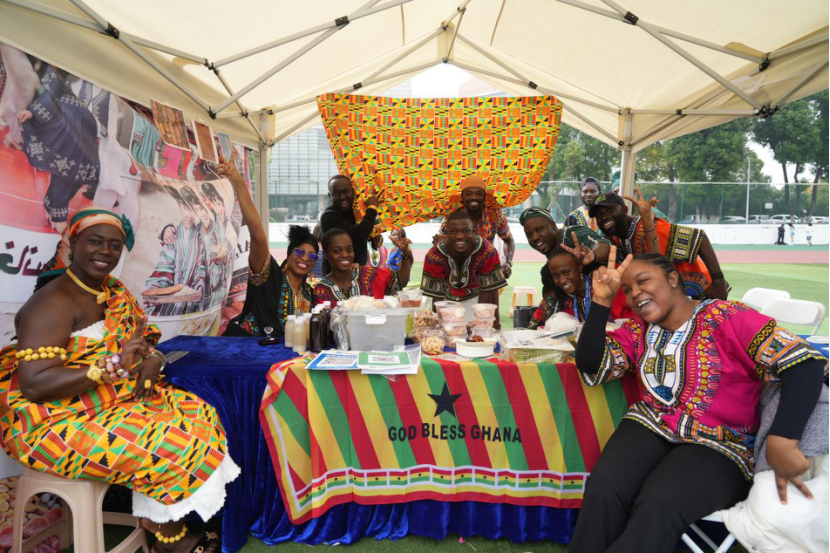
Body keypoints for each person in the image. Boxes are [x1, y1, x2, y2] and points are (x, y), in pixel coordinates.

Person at [1, 208, 239, 552]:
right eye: (95, 242)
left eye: (114, 246)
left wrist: (152, 361)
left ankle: (161, 519)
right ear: (73, 244)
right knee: (175, 442)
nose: (105, 252)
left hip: (109, 400)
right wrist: (112, 367)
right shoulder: (53, 302)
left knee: (200, 414)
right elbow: (35, 385)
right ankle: (168, 539)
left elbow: (143, 339)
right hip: (53, 420)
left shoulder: (113, 290)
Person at [568, 249, 826, 553]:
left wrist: (783, 440)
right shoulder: (637, 331)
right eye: (627, 289)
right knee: (604, 487)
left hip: (721, 442)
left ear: (672, 279)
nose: (635, 293)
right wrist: (601, 302)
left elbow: (804, 363)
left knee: (659, 503)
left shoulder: (728, 317)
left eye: (643, 281)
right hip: (651, 424)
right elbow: (591, 363)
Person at [219, 152, 317, 337]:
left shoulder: (309, 293)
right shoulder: (269, 276)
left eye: (312, 256)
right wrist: (238, 182)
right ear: (289, 254)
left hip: (288, 352)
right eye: (299, 252)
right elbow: (257, 236)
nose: (305, 258)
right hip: (249, 348)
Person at [590, 189, 729, 300]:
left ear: (625, 210)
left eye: (609, 211)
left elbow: (700, 238)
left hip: (707, 292)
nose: (604, 217)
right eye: (598, 215)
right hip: (676, 297)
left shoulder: (654, 227)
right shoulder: (618, 238)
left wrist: (719, 282)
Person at [19, 67, 100, 233]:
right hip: (67, 129)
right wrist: (33, 112)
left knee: (79, 174)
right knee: (66, 173)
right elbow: (52, 91)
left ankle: (52, 205)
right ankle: (58, 215)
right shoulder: (66, 69)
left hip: (88, 133)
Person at [421, 210, 507, 328]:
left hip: (477, 299)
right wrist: (441, 326)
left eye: (465, 231)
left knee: (480, 332)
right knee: (449, 332)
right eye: (454, 231)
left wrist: (480, 324)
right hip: (447, 302)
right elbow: (437, 298)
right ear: (446, 232)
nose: (460, 236)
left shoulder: (487, 251)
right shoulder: (434, 255)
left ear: (473, 231)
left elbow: (488, 290)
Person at [520, 206, 615, 306]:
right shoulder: (551, 251)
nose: (535, 237)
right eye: (529, 235)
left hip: (613, 294)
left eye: (539, 229)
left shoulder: (574, 235)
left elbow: (605, 246)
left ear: (553, 225)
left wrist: (592, 256)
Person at [527, 245, 634, 329]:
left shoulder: (606, 280)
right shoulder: (563, 299)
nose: (562, 280)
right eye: (556, 276)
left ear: (579, 268)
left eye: (567, 272)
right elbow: (533, 327)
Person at [144, 186, 209, 317]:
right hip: (169, 305)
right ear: (180, 207)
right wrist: (156, 291)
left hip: (190, 305)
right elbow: (164, 268)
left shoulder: (199, 237)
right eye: (185, 209)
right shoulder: (172, 235)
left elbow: (200, 267)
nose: (189, 216)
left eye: (192, 210)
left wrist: (199, 287)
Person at [438, 176, 516, 277]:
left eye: (478, 193)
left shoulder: (495, 216)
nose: (474, 197)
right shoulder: (452, 218)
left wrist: (508, 263)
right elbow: (441, 245)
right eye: (468, 194)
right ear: (462, 197)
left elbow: (509, 240)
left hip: (487, 273)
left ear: (484, 197)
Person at [314, 228, 412, 307]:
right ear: (325, 254)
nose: (345, 255)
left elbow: (400, 281)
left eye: (349, 250)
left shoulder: (370, 275)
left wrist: (405, 254)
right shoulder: (321, 290)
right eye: (337, 251)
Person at [320, 174, 382, 270]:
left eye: (346, 192)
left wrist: (374, 239)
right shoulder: (328, 216)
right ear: (329, 196)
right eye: (336, 194)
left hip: (359, 271)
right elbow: (359, 236)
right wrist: (372, 208)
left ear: (353, 191)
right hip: (337, 274)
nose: (342, 197)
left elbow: (363, 235)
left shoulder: (357, 211)